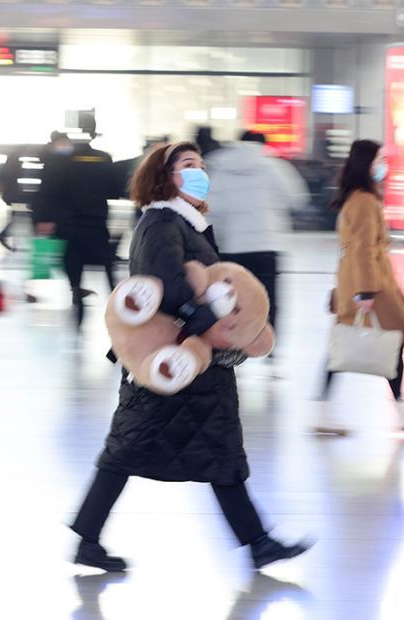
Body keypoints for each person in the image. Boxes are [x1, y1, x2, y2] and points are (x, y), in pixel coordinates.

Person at [70, 141, 311, 572]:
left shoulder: (189, 223)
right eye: (187, 165)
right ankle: (88, 539)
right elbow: (163, 283)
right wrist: (206, 324)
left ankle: (259, 542)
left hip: (196, 364)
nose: (198, 172)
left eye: (200, 164)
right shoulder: (161, 221)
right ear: (165, 177)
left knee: (216, 451)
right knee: (130, 450)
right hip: (171, 360)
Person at [314, 139, 404, 435]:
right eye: (379, 159)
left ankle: (327, 410)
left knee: (352, 344)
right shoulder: (365, 201)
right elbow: (363, 249)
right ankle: (400, 410)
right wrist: (366, 292)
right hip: (371, 284)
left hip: (361, 280)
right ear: (366, 164)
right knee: (383, 341)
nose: (384, 165)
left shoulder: (358, 198)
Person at [204, 129, 309, 352]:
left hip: (232, 246)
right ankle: (268, 346)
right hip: (267, 244)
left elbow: (211, 208)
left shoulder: (221, 167)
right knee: (268, 298)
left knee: (231, 299)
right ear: (263, 144)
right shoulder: (274, 166)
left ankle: (231, 343)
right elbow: (298, 198)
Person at [37, 117, 119, 329]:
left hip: (68, 226)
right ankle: (120, 317)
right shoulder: (103, 159)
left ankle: (78, 307)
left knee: (74, 272)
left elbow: (48, 190)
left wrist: (44, 218)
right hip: (96, 224)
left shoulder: (60, 160)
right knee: (107, 271)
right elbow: (113, 189)